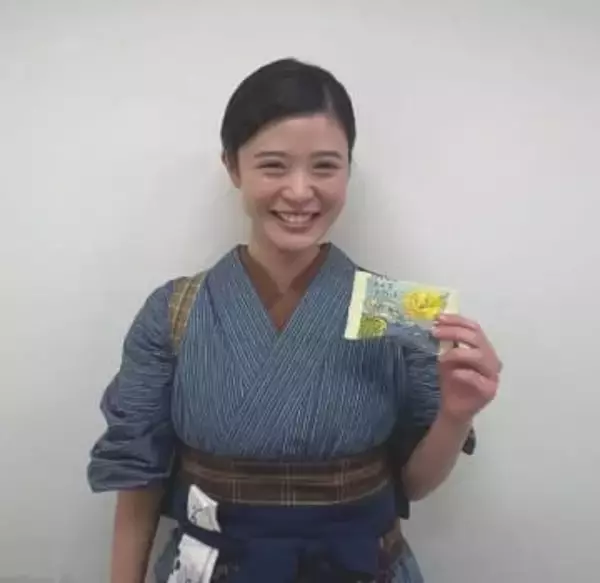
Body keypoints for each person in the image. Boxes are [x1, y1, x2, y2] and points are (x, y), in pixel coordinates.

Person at [88, 58, 501, 583]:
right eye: (274, 166)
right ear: (233, 168)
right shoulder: (173, 311)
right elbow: (138, 479)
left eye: (325, 166)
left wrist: (455, 415)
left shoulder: (395, 310)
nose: (301, 192)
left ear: (348, 169)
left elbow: (414, 484)